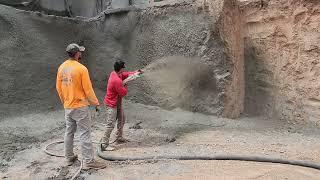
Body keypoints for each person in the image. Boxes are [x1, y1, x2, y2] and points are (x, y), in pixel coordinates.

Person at [56, 43, 106, 169]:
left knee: (69, 132)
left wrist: (65, 101)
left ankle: (69, 157)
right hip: (80, 106)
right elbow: (88, 90)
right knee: (84, 133)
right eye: (80, 52)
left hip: (68, 106)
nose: (81, 53)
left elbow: (58, 87)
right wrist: (96, 103)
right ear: (77, 53)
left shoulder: (62, 67)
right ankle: (88, 162)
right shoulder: (81, 69)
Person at [100, 60, 142, 151]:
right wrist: (126, 84)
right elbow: (123, 93)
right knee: (110, 124)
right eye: (123, 68)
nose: (124, 70)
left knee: (122, 119)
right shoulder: (116, 80)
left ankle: (119, 137)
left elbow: (125, 74)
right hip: (111, 104)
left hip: (116, 102)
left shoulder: (115, 73)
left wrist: (135, 72)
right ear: (121, 68)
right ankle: (104, 145)